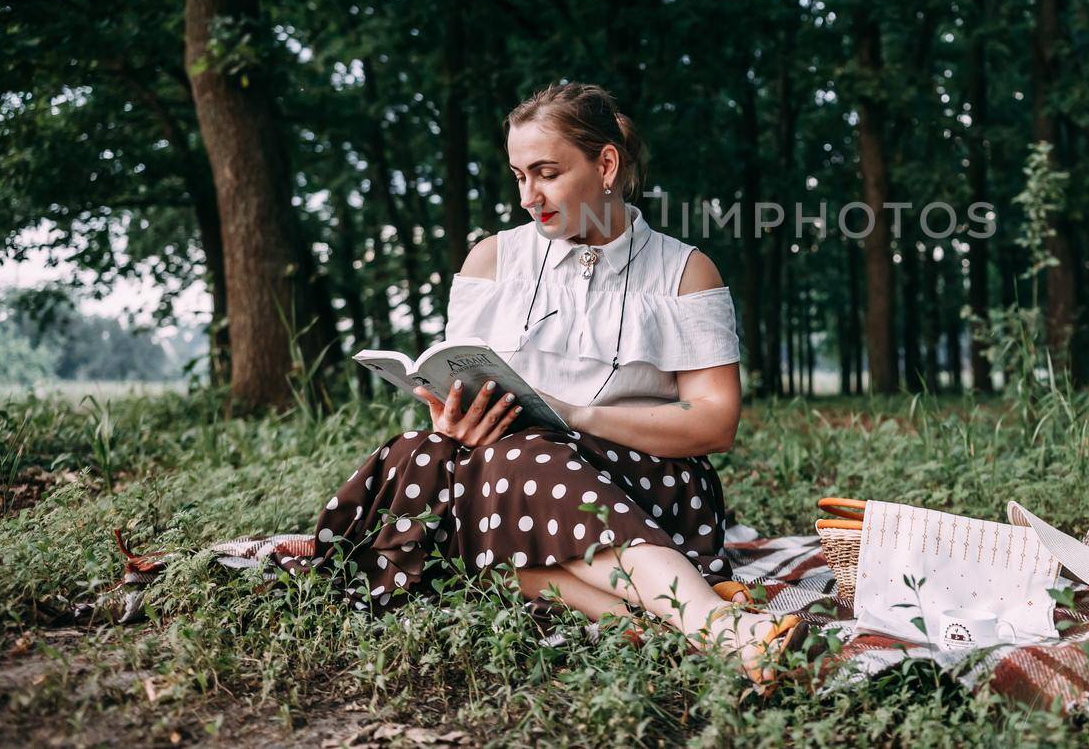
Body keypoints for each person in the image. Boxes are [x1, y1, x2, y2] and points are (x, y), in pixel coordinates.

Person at [288, 82, 804, 684]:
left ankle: (709, 626)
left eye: (546, 173)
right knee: (425, 460)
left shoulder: (684, 271)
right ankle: (688, 626)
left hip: (639, 479)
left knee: (514, 470)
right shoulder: (491, 261)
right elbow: (457, 380)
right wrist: (451, 421)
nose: (529, 197)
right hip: (503, 475)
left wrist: (571, 414)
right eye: (518, 176)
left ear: (605, 164)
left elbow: (714, 424)